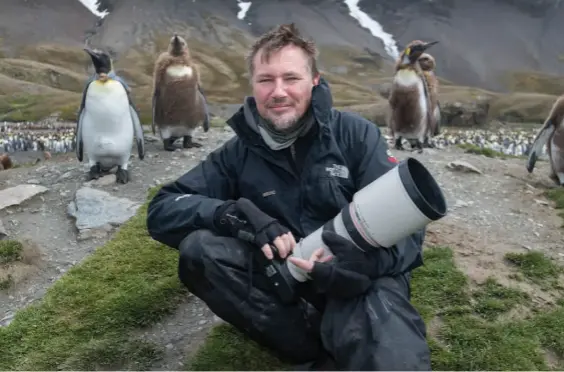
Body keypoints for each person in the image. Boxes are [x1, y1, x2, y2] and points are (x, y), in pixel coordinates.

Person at [146, 23, 432, 370]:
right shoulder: (238, 153)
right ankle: (311, 350)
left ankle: (345, 345)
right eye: (266, 80)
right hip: (284, 278)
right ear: (253, 85)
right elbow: (163, 209)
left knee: (391, 359)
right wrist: (231, 213)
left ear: (314, 80)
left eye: (291, 78)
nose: (278, 91)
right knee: (199, 252)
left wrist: (370, 265)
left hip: (357, 283)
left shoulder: (355, 136)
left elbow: (408, 223)